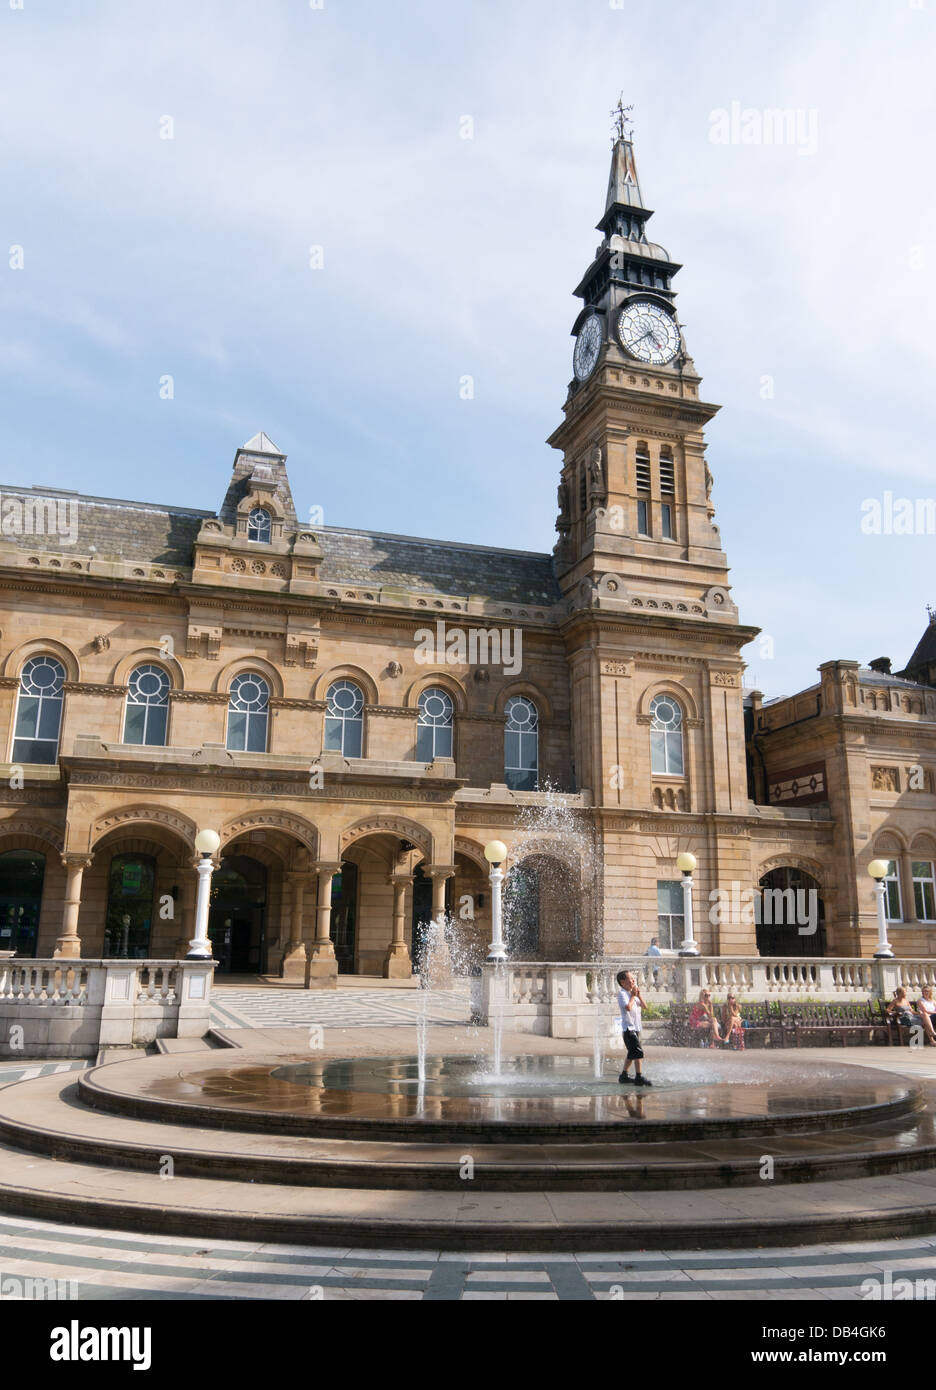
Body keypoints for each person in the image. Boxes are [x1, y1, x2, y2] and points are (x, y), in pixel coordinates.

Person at [617, 969, 652, 1087]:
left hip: (637, 1028)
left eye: (633, 979)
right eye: (630, 979)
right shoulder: (622, 994)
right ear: (622, 982)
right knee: (638, 1052)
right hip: (629, 1029)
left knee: (632, 1053)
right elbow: (627, 1007)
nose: (633, 981)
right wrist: (632, 997)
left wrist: (639, 996)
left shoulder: (633, 994)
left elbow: (645, 1006)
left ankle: (624, 1075)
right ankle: (638, 1077)